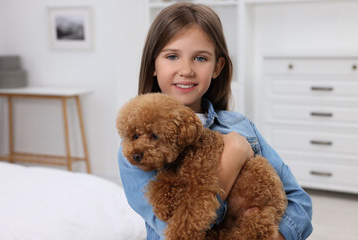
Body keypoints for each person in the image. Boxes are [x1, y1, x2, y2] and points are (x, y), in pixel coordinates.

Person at [118, 2, 313, 240]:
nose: (186, 70)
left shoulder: (241, 126)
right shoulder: (134, 151)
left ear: (217, 67)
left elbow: (299, 201)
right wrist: (233, 156)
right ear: (153, 66)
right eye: (172, 56)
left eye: (200, 58)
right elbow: (176, 231)